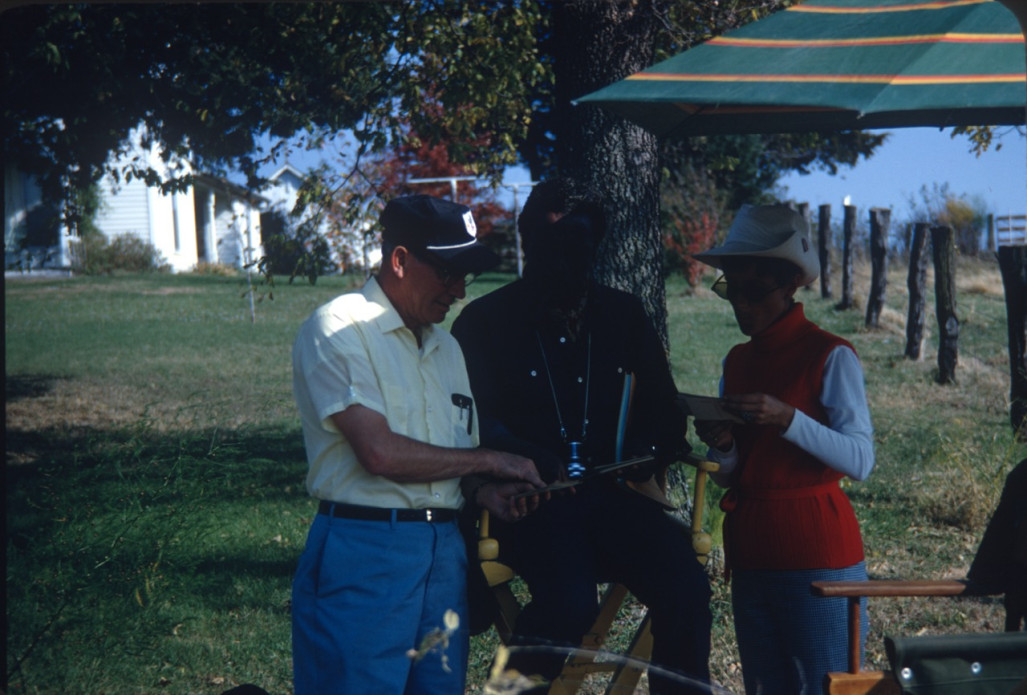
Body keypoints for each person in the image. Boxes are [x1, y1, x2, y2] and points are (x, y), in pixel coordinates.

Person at [451, 177, 713, 694]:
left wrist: (647, 449)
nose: (564, 259)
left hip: (615, 500)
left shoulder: (624, 315)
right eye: (550, 245)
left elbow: (665, 412)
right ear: (527, 242)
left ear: (595, 246)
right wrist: (526, 459)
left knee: (686, 588)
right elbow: (472, 426)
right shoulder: (483, 322)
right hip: (530, 506)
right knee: (569, 602)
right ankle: (510, 691)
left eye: (578, 244)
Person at [290, 194, 545, 695]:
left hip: (444, 555)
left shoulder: (447, 347)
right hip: (364, 551)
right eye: (450, 271)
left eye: (467, 274)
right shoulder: (339, 327)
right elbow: (379, 452)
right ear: (400, 260)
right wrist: (492, 458)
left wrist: (481, 492)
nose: (460, 291)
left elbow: (449, 457)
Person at [692, 204, 875, 695]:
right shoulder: (738, 359)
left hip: (817, 551)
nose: (742, 305)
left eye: (756, 290)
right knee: (765, 686)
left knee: (823, 684)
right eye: (732, 288)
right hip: (752, 547)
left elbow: (861, 460)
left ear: (791, 284)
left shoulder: (830, 354)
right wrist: (726, 446)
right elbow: (738, 473)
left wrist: (788, 419)